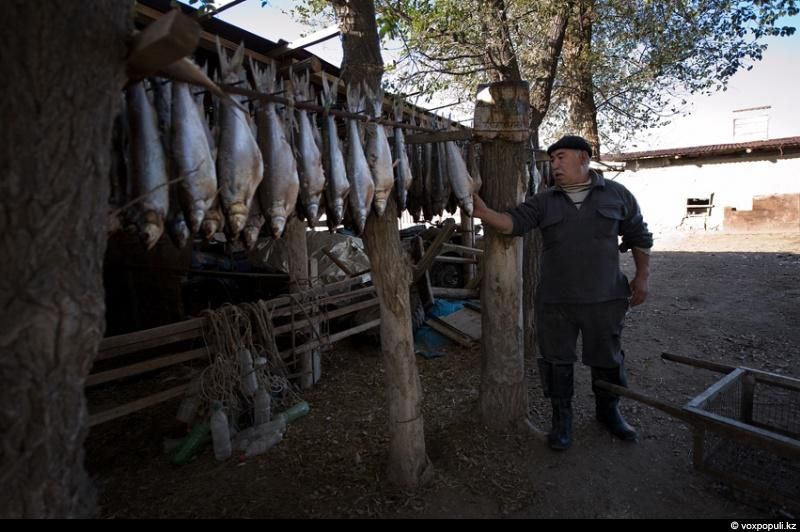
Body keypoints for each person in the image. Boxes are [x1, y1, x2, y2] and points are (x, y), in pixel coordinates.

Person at [472, 135, 653, 451]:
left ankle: (609, 412)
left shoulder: (617, 194)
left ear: (583, 158)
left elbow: (639, 235)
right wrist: (485, 213)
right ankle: (562, 419)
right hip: (556, 301)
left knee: (608, 359)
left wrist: (642, 278)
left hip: (605, 298)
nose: (554, 164)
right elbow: (513, 222)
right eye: (552, 159)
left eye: (561, 157)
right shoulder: (545, 200)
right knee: (557, 362)